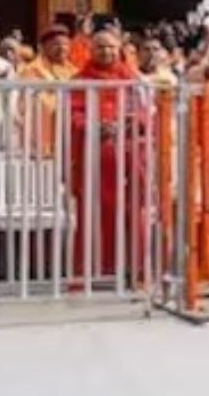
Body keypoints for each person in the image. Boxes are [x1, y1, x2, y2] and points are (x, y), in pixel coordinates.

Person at [70, 31, 142, 280]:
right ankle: (91, 271)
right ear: (91, 50)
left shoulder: (131, 77)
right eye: (100, 48)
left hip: (128, 154)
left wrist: (126, 124)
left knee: (133, 212)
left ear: (119, 48)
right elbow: (73, 115)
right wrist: (95, 126)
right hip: (94, 156)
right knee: (92, 213)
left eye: (111, 48)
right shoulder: (80, 79)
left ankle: (134, 269)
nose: (106, 52)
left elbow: (143, 112)